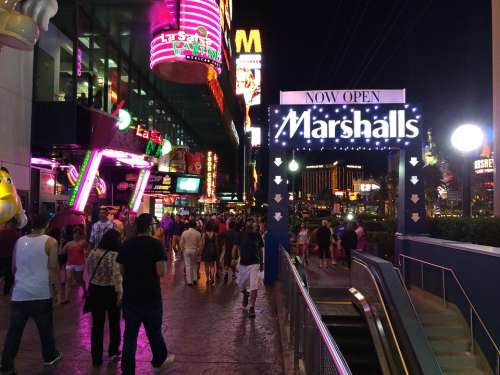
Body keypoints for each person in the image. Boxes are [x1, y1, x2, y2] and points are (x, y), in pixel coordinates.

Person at [0, 213, 63, 374]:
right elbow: (53, 268)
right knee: (45, 329)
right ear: (47, 225)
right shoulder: (51, 242)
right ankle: (49, 356)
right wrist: (58, 291)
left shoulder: (20, 241)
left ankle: (6, 364)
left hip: (20, 294)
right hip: (41, 293)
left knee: (14, 332)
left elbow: (14, 268)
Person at [117, 214, 174, 374]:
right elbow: (161, 271)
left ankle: (128, 370)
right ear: (149, 226)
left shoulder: (126, 245)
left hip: (130, 296)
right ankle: (159, 361)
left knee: (130, 336)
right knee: (154, 331)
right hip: (151, 296)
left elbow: (121, 270)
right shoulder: (156, 245)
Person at [85, 229, 123, 367]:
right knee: (114, 322)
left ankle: (96, 357)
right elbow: (117, 276)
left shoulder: (94, 252)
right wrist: (120, 293)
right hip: (111, 291)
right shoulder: (115, 255)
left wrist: (95, 279)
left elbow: (88, 267)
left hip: (95, 290)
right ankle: (113, 350)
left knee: (97, 325)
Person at [236, 222, 264, 319]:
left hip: (254, 263)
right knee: (241, 285)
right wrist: (235, 258)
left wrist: (262, 263)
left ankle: (252, 307)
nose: (251, 227)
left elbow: (260, 250)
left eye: (252, 226)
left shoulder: (257, 236)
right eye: (249, 225)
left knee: (254, 285)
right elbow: (237, 247)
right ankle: (245, 294)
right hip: (243, 264)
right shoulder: (241, 235)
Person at [62, 227, 87, 303]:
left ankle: (85, 291)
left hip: (79, 263)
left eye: (78, 233)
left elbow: (87, 250)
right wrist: (61, 243)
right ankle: (66, 298)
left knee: (79, 280)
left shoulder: (83, 242)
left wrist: (86, 253)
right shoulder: (69, 243)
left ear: (80, 235)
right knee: (68, 279)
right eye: (74, 233)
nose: (76, 235)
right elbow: (62, 252)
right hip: (70, 263)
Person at [0, 218, 20, 295]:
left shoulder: (1, 233)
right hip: (10, 257)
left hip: (1, 256)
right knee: (9, 275)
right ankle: (6, 291)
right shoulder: (17, 235)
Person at [179, 220, 202, 286]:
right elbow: (200, 244)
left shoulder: (184, 233)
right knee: (195, 264)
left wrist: (182, 249)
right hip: (194, 250)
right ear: (195, 225)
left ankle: (189, 281)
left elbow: (181, 243)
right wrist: (199, 251)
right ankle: (195, 279)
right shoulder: (198, 233)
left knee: (188, 265)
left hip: (186, 250)